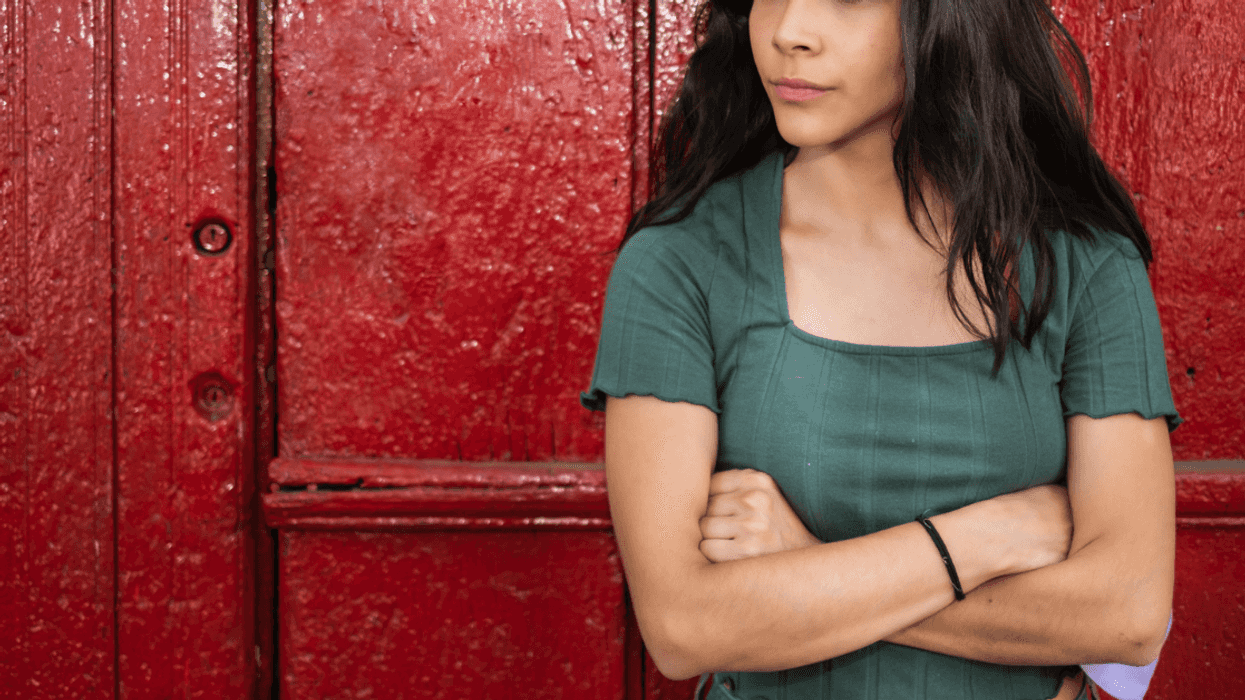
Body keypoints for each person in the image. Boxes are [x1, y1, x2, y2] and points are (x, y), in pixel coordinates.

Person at [579, 0, 1181, 698]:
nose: (787, 33)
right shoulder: (680, 265)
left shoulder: (1085, 267)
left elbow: (1128, 615)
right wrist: (987, 538)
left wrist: (809, 564)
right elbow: (684, 627)